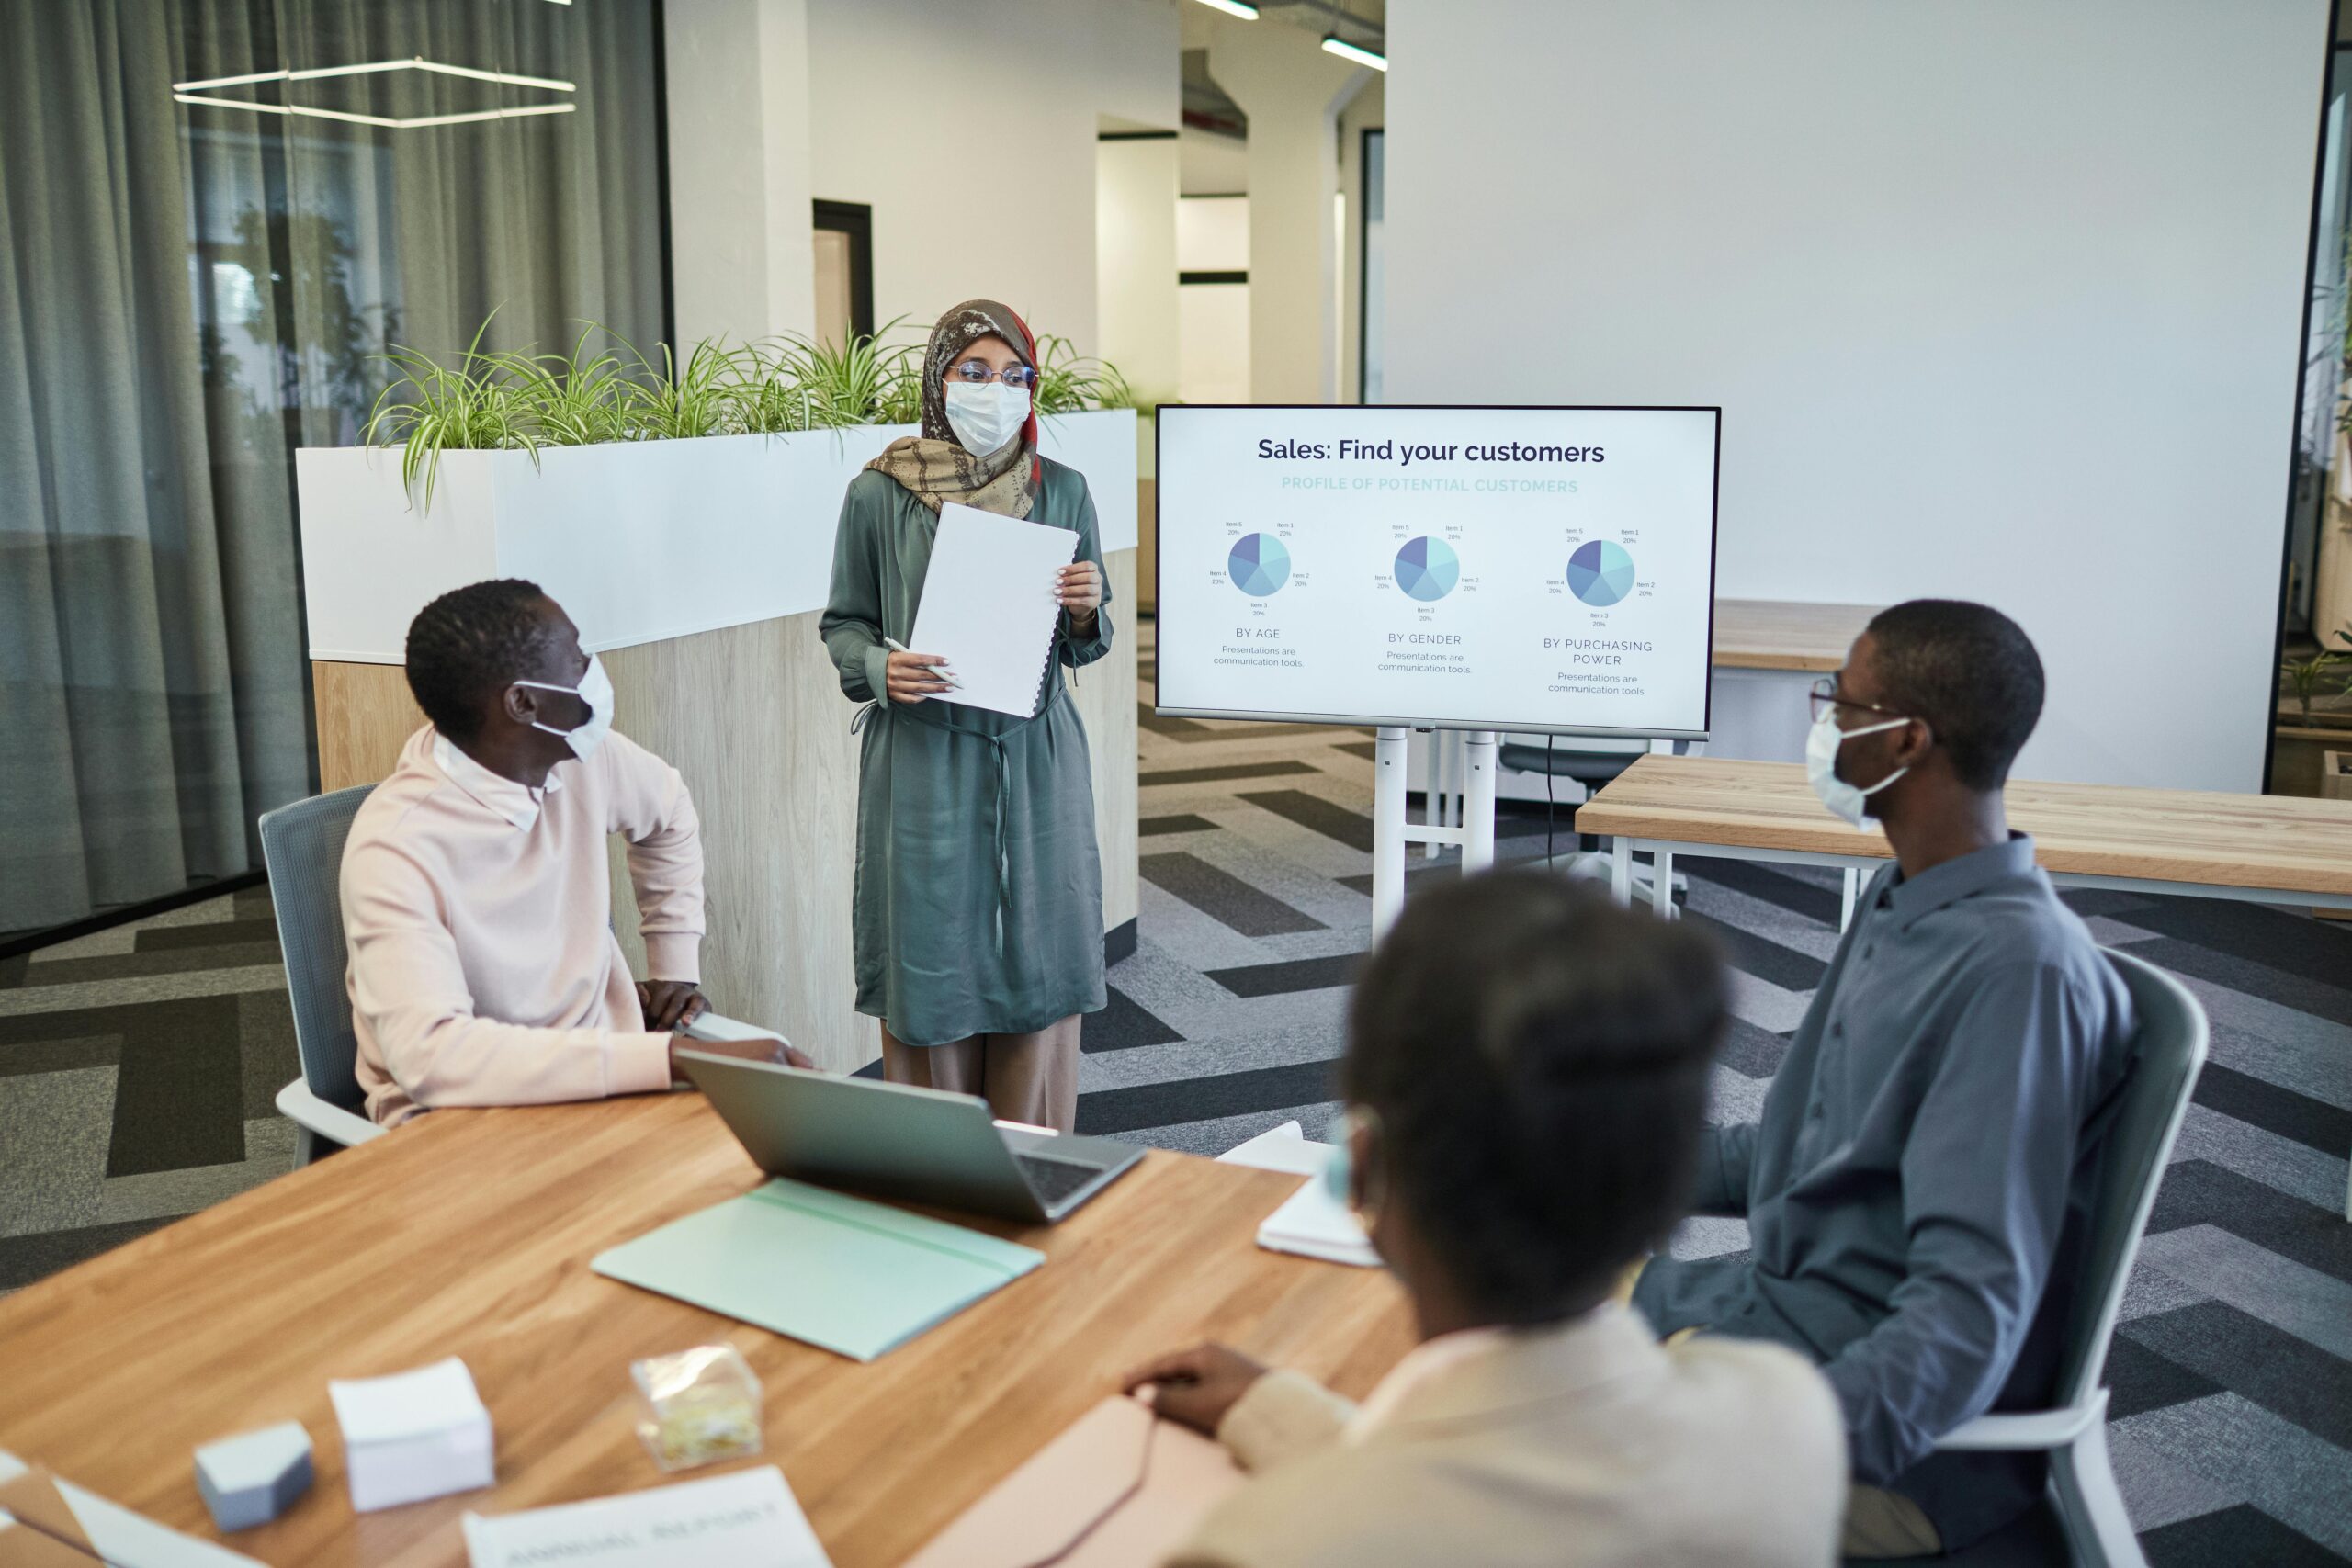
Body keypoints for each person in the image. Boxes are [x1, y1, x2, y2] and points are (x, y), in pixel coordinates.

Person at [1126, 874, 1848, 1568]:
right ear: (1664, 1183)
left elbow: (1423, 1513)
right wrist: (1282, 1415)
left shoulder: (1262, 1546)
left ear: (1366, 1167)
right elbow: (1516, 1496)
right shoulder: (1791, 1424)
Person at [1633, 599, 2138, 1558]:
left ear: (1905, 738)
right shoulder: (1903, 897)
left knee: (1495, 1451)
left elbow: (1965, 1309)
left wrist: (1783, 1451)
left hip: (1879, 1436)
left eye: (1839, 701)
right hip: (1772, 1312)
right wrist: (1555, 1161)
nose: (1821, 725)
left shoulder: (2013, 973)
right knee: (1475, 1315)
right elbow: (1794, 1154)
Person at [343, 579, 807, 1127]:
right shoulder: (394, 847)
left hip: (607, 1084)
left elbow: (669, 812)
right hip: (461, 1118)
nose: (591, 669)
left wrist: (674, 964)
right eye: (577, 655)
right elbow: (434, 1059)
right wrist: (676, 1059)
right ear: (522, 702)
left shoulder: (581, 755)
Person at [818, 299, 1112, 1132]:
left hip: (1035, 747)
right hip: (925, 753)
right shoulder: (880, 491)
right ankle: (937, 1161)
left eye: (1014, 375)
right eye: (973, 372)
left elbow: (1086, 642)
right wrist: (880, 667)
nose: (996, 390)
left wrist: (1088, 608)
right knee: (933, 953)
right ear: (938, 382)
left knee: (1039, 950)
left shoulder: (1064, 490)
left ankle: (1034, 1157)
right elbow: (843, 623)